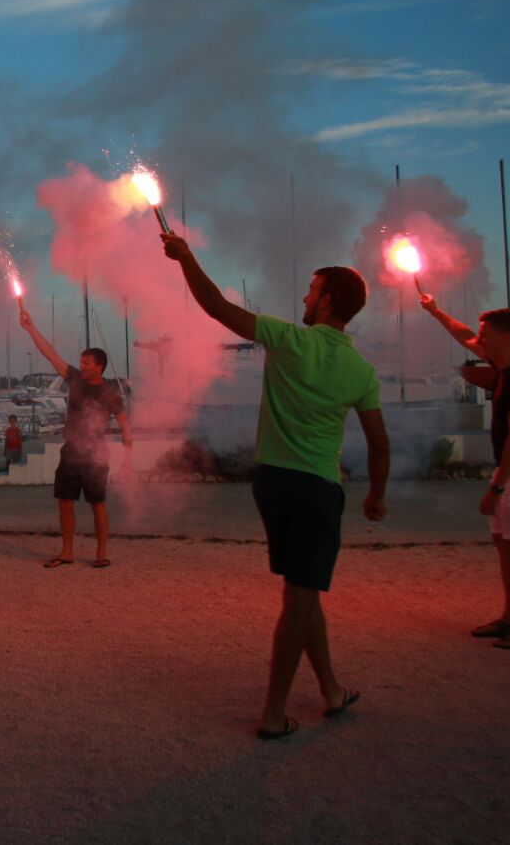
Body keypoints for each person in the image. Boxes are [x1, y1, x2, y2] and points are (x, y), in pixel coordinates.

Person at [162, 233, 389, 740]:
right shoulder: (360, 370)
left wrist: (186, 258)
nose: (305, 298)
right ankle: (272, 714)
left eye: (312, 290)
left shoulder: (289, 338)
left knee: (303, 593)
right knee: (300, 598)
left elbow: (216, 306)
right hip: (315, 491)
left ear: (327, 300)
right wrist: (376, 494)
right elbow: (379, 444)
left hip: (270, 483)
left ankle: (331, 689)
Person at [422, 297, 510, 651]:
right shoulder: (502, 363)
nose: (479, 338)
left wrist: (496, 488)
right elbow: (463, 335)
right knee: (504, 543)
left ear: (506, 337)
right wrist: (434, 310)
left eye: (485, 333)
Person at [18, 308, 132, 569]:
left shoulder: (110, 393)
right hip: (71, 452)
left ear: (99, 367)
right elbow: (50, 355)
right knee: (64, 504)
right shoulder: (75, 379)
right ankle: (67, 552)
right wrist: (31, 329)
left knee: (97, 505)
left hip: (96, 456)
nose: (81, 366)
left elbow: (126, 427)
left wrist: (128, 462)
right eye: (81, 362)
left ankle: (101, 554)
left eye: (86, 363)